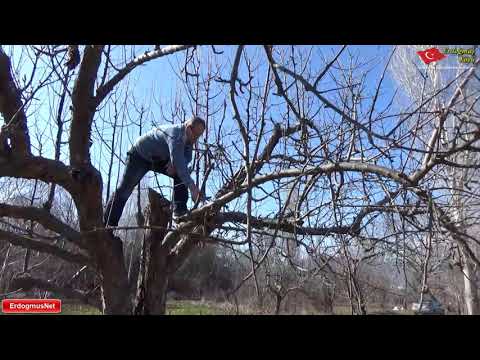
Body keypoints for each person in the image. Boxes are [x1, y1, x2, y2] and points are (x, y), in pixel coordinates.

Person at [104, 116, 206, 227]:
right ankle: (107, 225)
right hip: (139, 155)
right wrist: (193, 188)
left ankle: (180, 211)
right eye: (195, 134)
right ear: (188, 128)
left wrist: (174, 162)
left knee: (180, 173)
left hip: (158, 158)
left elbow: (187, 158)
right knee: (124, 191)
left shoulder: (189, 140)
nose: (196, 138)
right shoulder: (175, 134)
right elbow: (180, 165)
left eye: (199, 136)